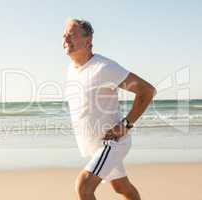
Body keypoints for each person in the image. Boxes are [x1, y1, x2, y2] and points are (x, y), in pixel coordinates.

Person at [63, 18, 156, 200]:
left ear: (88, 41)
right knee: (122, 187)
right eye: (64, 36)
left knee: (84, 186)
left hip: (112, 143)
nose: (66, 40)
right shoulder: (71, 69)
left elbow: (147, 91)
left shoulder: (104, 67)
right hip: (95, 145)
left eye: (71, 36)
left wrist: (125, 125)